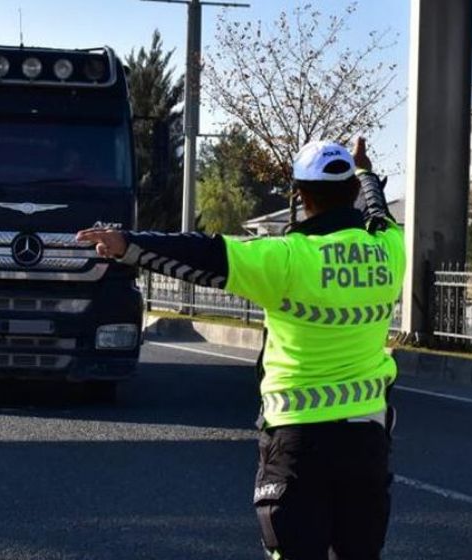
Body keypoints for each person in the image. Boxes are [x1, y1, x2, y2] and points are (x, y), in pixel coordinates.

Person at [77, 138, 404, 559]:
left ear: (301, 196)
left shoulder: (287, 258)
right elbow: (379, 213)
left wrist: (128, 244)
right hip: (366, 442)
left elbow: (205, 254)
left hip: (299, 441)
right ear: (352, 193)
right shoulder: (388, 251)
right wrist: (366, 173)